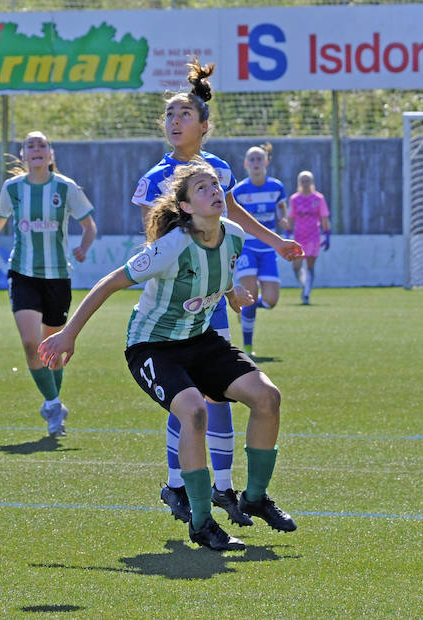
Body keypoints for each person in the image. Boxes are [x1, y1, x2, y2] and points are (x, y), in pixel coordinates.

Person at [39, 161, 299, 551]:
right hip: (153, 346)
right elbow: (110, 281)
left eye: (215, 184)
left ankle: (256, 498)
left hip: (200, 339)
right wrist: (68, 334)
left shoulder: (234, 235)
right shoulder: (170, 246)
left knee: (268, 397)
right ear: (188, 207)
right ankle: (201, 522)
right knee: (194, 411)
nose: (214, 191)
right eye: (201, 188)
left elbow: (220, 272)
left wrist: (232, 293)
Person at [131, 58, 301, 529]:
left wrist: (275, 243)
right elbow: (155, 242)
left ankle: (226, 489)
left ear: (203, 125)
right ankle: (178, 486)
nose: (173, 122)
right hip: (175, 305)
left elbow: (235, 220)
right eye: (168, 116)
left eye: (182, 114)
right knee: (188, 399)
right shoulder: (157, 177)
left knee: (222, 396)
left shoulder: (218, 170)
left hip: (210, 298)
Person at [0, 131, 97, 437]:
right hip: (22, 272)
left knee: (53, 349)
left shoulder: (66, 188)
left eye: (42, 145)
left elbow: (89, 224)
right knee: (30, 343)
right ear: (23, 155)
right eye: (30, 145)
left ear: (50, 154)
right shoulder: (13, 188)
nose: (36, 149)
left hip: (57, 277)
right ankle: (53, 404)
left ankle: (53, 402)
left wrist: (85, 247)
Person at [228, 143, 289, 357]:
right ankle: (247, 347)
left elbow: (282, 207)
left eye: (259, 158)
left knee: (271, 300)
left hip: (269, 248)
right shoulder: (240, 190)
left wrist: (284, 218)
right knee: (250, 295)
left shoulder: (276, 187)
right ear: (246, 164)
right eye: (251, 159)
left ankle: (246, 312)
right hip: (247, 248)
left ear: (266, 162)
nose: (255, 163)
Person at [284, 170, 331, 305]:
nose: (305, 184)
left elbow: (324, 218)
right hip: (299, 237)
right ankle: (304, 284)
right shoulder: (294, 199)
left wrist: (327, 235)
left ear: (312, 182)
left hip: (313, 236)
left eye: (307, 181)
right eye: (302, 181)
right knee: (296, 266)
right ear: (299, 183)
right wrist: (287, 233)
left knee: (310, 265)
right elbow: (291, 218)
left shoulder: (318, 198)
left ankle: (306, 294)